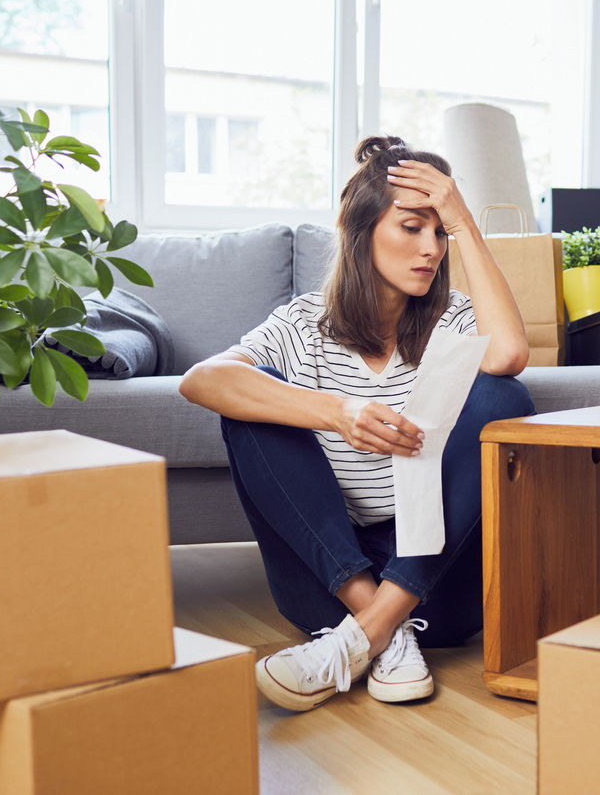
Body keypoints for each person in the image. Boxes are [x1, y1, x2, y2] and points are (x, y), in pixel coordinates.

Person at [179, 135, 535, 712]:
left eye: (440, 232)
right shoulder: (301, 324)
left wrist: (464, 218)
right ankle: (381, 627)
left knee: (501, 395)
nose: (432, 250)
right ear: (360, 231)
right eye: (412, 227)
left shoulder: (454, 319)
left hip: (437, 587)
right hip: (329, 585)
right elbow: (201, 380)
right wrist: (336, 412)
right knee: (252, 404)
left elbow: (509, 356)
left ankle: (368, 636)